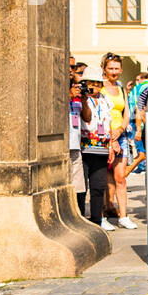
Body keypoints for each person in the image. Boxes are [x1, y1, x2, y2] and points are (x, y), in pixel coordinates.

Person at [100, 53, 137, 230]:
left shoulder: (122, 89)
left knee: (120, 177)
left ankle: (124, 216)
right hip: (103, 136)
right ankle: (102, 214)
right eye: (110, 69)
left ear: (121, 70)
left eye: (116, 69)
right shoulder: (100, 88)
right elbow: (100, 112)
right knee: (102, 177)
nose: (114, 72)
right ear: (104, 69)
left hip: (119, 135)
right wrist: (110, 136)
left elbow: (127, 113)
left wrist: (121, 130)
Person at [79, 75, 116, 232]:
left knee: (99, 186)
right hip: (85, 147)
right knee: (81, 187)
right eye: (90, 84)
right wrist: (84, 98)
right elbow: (86, 118)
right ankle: (80, 218)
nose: (94, 87)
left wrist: (111, 145)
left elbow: (109, 122)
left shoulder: (105, 100)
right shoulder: (82, 99)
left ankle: (97, 220)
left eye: (97, 84)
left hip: (102, 148)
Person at [68, 70, 87, 216]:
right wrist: (69, 94)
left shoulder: (77, 101)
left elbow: (87, 117)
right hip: (63, 146)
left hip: (75, 145)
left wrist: (85, 98)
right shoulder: (63, 98)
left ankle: (79, 214)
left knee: (79, 186)